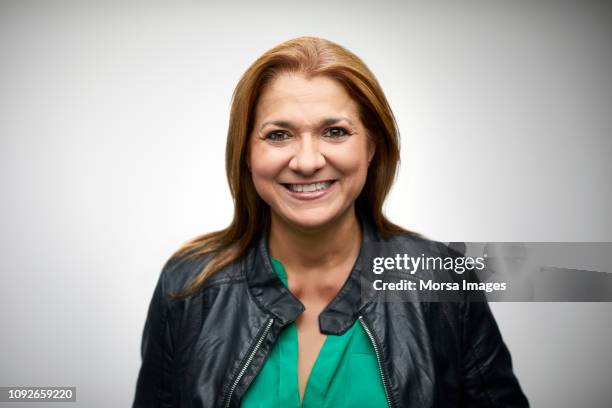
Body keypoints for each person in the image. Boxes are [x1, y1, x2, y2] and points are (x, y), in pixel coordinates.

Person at [132, 36, 529, 408]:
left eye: (335, 132)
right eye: (278, 134)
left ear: (371, 146)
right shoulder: (187, 286)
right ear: (246, 153)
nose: (307, 162)